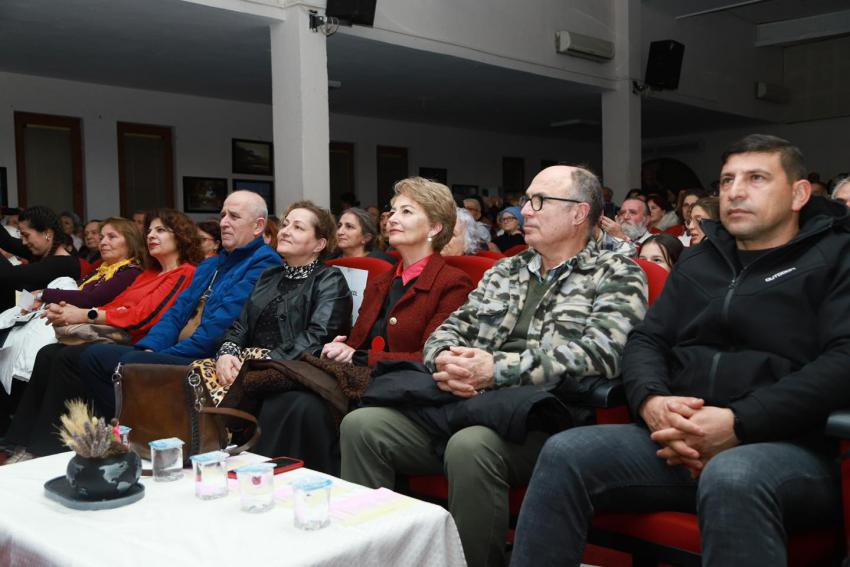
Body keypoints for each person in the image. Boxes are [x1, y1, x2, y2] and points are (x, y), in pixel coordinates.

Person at [512, 134, 850, 567]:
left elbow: (842, 362)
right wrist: (652, 401)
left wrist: (738, 423)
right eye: (726, 180)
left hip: (789, 445)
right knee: (566, 452)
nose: (735, 192)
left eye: (756, 178)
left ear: (799, 194)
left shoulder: (835, 257)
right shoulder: (701, 259)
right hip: (676, 436)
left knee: (733, 474)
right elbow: (647, 340)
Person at [340, 166, 647, 567]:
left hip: (548, 418)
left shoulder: (616, 273)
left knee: (472, 445)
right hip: (469, 403)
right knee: (363, 426)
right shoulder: (507, 269)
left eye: (539, 201)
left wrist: (496, 369)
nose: (526, 210)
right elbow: (446, 332)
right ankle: (376, 557)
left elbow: (601, 353)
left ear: (578, 213)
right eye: (526, 200)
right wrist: (447, 359)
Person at [2, 209, 203, 462]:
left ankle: (47, 448)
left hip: (140, 342)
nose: (151, 235)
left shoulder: (184, 272)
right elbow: (116, 305)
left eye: (160, 230)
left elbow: (144, 316)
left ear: (181, 236)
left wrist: (84, 315)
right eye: (150, 230)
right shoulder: (149, 273)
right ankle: (20, 440)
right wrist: (70, 312)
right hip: (119, 335)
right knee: (48, 352)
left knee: (68, 357)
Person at [76, 190, 281, 417]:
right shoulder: (210, 265)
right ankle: (120, 427)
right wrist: (151, 348)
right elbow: (176, 313)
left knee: (130, 362)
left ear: (258, 226)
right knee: (93, 356)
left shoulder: (264, 263)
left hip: (208, 356)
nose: (224, 223)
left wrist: (159, 355)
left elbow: (220, 327)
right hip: (177, 349)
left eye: (234, 216)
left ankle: (136, 429)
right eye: (223, 215)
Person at [320, 177, 473, 471]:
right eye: (392, 211)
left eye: (406, 211)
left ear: (434, 228)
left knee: (312, 409)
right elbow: (359, 342)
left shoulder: (453, 284)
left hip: (411, 401)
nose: (391, 218)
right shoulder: (382, 280)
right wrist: (344, 347)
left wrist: (358, 356)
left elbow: (431, 358)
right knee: (297, 400)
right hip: (367, 385)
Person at [208, 201, 353, 473]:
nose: (285, 231)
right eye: (285, 224)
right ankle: (206, 465)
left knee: (278, 401)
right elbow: (241, 325)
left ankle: (250, 474)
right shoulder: (270, 275)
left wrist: (264, 364)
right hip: (251, 363)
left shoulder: (329, 279)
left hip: (293, 367)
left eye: (298, 227)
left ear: (319, 244)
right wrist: (227, 351)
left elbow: (318, 336)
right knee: (194, 375)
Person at [0, 217, 145, 434]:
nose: (103, 242)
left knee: (51, 352)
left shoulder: (129, 271)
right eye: (102, 237)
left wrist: (43, 294)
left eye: (111, 237)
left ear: (131, 241)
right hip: (79, 323)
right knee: (45, 352)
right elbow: (79, 293)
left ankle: (44, 437)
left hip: (104, 331)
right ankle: (22, 435)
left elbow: (90, 299)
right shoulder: (103, 269)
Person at [0, 206, 80, 311]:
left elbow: (7, 275)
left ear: (47, 234)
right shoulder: (42, 252)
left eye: (26, 235)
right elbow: (7, 241)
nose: (24, 242)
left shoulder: (63, 264)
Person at [332, 207, 396, 264]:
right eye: (339, 226)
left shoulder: (382, 263)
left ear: (366, 238)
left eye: (349, 227)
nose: (340, 232)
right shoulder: (330, 261)